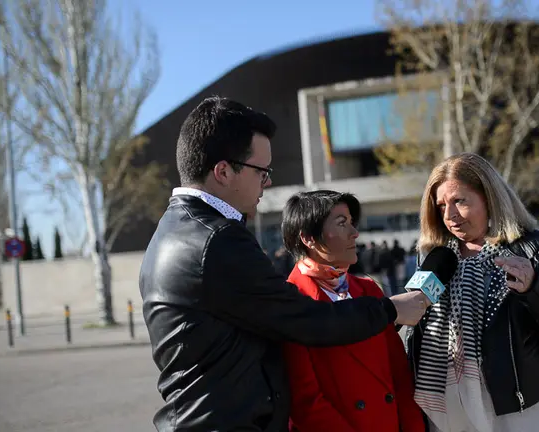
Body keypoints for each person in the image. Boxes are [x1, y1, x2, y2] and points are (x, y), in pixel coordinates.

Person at [139, 96, 429, 432]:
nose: (268, 182)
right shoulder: (216, 239)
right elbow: (306, 320)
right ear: (223, 172)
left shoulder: (174, 229)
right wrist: (391, 310)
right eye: (261, 171)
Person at [407, 153, 539, 432]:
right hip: (449, 409)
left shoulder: (533, 248)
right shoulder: (433, 258)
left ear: (489, 197)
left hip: (521, 408)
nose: (449, 215)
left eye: (460, 201)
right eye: (441, 205)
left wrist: (533, 286)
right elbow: (416, 328)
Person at [281, 190, 425, 432]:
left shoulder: (368, 290)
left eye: (351, 222)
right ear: (308, 238)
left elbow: (399, 376)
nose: (354, 233)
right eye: (341, 223)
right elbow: (306, 403)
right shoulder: (292, 301)